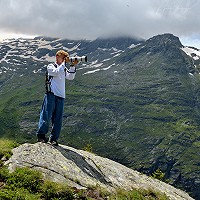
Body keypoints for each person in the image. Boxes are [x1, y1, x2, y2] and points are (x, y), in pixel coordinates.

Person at [36, 50, 78, 146]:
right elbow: (55, 72)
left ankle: (54, 138)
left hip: (61, 95)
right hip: (51, 94)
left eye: (65, 58)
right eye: (63, 57)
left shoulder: (63, 68)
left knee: (58, 119)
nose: (64, 60)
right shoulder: (51, 66)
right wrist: (64, 63)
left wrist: (72, 65)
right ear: (57, 56)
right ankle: (41, 135)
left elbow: (70, 77)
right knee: (46, 115)